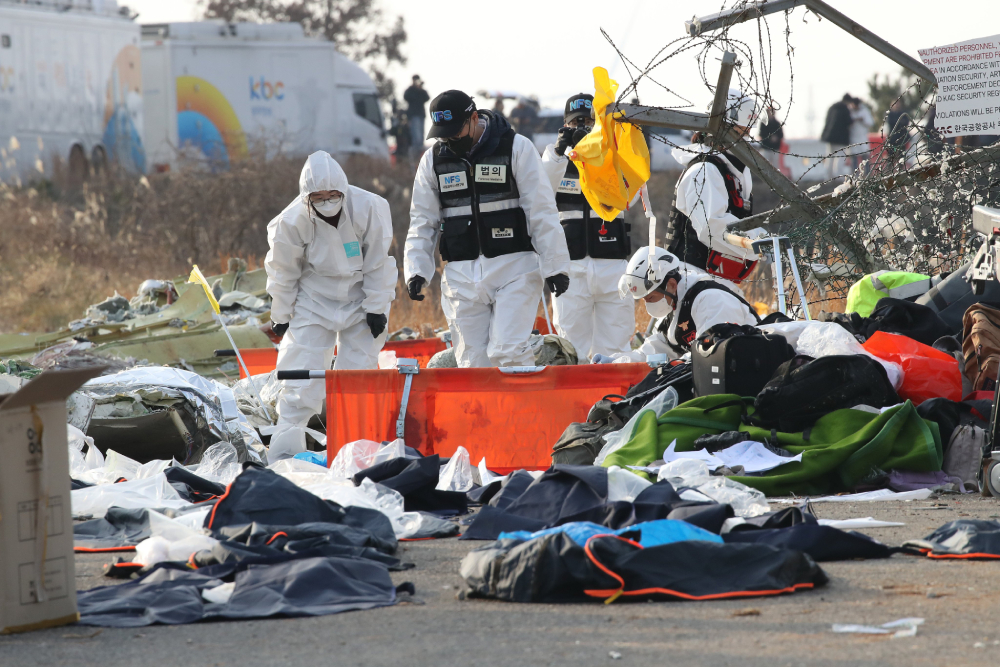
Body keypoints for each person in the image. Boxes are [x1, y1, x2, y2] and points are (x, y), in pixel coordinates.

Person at [404, 89, 571, 367]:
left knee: (508, 353)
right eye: (443, 134)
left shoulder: (516, 148)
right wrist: (417, 270)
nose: (449, 140)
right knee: (472, 362)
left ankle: (521, 411)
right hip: (460, 275)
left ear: (473, 118)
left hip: (515, 268)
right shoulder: (432, 161)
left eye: (455, 132)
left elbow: (541, 211)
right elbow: (422, 220)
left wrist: (555, 267)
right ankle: (483, 413)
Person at [266, 151, 396, 457]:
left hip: (360, 298)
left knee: (357, 380)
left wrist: (376, 307)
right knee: (299, 377)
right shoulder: (290, 222)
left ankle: (354, 454)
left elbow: (379, 263)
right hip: (314, 299)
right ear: (306, 197)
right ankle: (285, 455)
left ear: (344, 190)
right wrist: (281, 314)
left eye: (333, 195)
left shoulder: (370, 208)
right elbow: (283, 272)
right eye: (319, 197)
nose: (327, 201)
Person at [540, 93, 635, 360]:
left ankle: (616, 400)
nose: (582, 128)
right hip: (571, 268)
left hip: (612, 266)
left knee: (616, 348)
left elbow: (632, 193)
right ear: (565, 126)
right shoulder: (555, 160)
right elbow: (538, 192)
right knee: (572, 349)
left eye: (589, 123)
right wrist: (560, 153)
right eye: (576, 123)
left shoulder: (615, 155)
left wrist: (603, 152)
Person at [665, 89, 762, 285]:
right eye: (740, 133)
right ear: (722, 130)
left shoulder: (731, 170)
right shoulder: (704, 170)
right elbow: (713, 226)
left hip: (713, 278)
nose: (744, 140)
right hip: (691, 278)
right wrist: (761, 243)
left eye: (747, 133)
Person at [617, 246, 760, 361]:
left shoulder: (710, 300)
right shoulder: (673, 304)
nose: (648, 305)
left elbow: (713, 355)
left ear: (671, 284)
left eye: (651, 298)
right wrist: (617, 361)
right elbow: (654, 352)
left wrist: (674, 366)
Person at [820, 94, 854, 179]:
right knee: (840, 157)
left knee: (829, 157)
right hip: (841, 138)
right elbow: (849, 122)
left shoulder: (832, 107)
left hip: (830, 136)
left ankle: (827, 176)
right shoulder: (845, 109)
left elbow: (827, 121)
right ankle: (839, 176)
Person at [403, 75, 430, 159]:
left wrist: (420, 88)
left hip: (421, 115)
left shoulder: (421, 90)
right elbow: (406, 96)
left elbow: (427, 97)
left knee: (421, 137)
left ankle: (419, 156)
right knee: (416, 137)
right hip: (413, 115)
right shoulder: (410, 90)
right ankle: (415, 156)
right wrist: (415, 89)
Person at [847, 97, 873, 169]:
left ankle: (867, 176)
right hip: (853, 138)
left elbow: (870, 122)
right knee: (854, 161)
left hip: (862, 138)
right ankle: (855, 177)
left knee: (865, 159)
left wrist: (862, 120)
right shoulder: (849, 111)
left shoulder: (864, 111)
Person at [757, 104, 784, 170]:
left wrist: (776, 138)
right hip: (766, 148)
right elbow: (761, 134)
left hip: (775, 148)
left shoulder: (777, 123)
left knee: (775, 166)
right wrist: (769, 138)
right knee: (765, 166)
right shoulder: (763, 123)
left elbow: (781, 135)